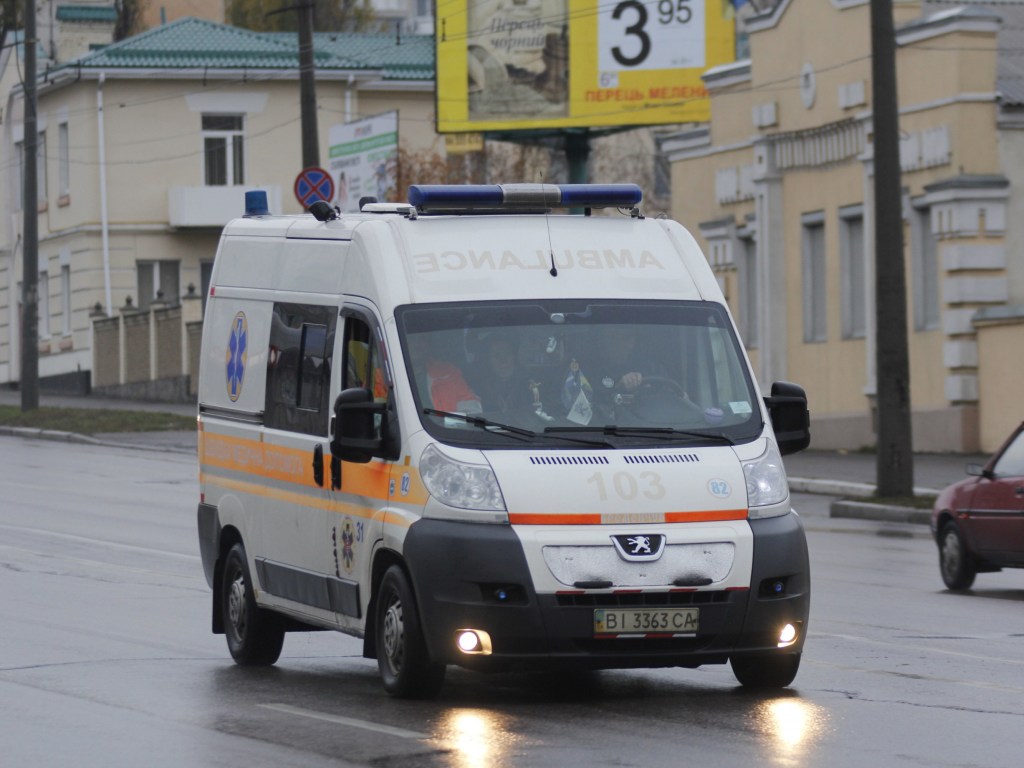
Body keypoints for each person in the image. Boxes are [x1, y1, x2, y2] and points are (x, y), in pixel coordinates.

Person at [407, 334, 480, 414]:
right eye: (411, 339)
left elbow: (472, 410)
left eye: (422, 339)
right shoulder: (394, 376)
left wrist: (450, 423)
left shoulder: (448, 374)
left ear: (428, 344)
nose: (416, 344)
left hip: (442, 427)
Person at [472, 334, 534, 415]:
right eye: (496, 355)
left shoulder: (531, 385)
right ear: (488, 361)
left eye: (507, 353)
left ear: (515, 356)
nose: (503, 360)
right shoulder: (477, 389)